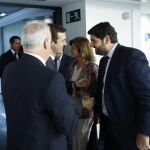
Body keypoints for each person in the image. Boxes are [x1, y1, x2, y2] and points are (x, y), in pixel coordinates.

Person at [1, 20, 79, 150]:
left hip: (15, 143)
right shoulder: (51, 77)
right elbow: (69, 126)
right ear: (45, 43)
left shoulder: (9, 69)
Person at [88, 22, 150, 150]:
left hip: (128, 129)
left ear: (106, 39)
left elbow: (147, 97)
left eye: (94, 41)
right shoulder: (103, 60)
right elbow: (104, 90)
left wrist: (144, 132)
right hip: (108, 126)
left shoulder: (132, 56)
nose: (91, 45)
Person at [66, 37, 98, 150]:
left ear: (82, 49)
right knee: (74, 144)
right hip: (72, 110)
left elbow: (97, 91)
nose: (71, 50)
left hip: (85, 113)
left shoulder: (92, 67)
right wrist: (76, 84)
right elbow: (68, 85)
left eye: (74, 48)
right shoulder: (72, 65)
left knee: (83, 144)